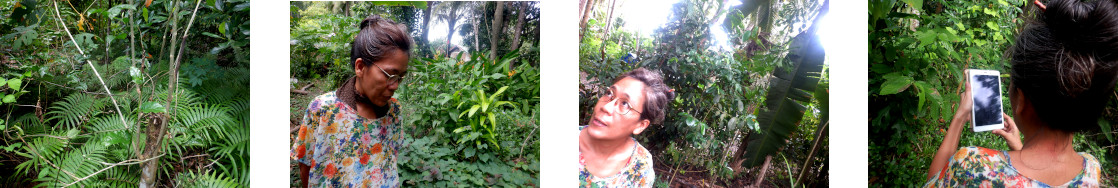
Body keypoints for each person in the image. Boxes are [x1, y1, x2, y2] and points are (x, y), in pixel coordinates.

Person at [924, 0, 1117, 186]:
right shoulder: (1090, 169)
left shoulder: (973, 167)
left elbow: (933, 183)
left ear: (1021, 100)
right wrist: (1019, 147)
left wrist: (960, 116)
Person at [292, 15, 413, 187]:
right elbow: (305, 164)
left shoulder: (394, 111)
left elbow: (390, 161)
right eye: (390, 75)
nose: (395, 86)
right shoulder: (323, 109)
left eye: (400, 77)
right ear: (360, 67)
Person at [579, 68, 673, 188]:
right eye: (609, 93)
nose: (606, 107)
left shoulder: (640, 166)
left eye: (625, 104)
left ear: (640, 125)